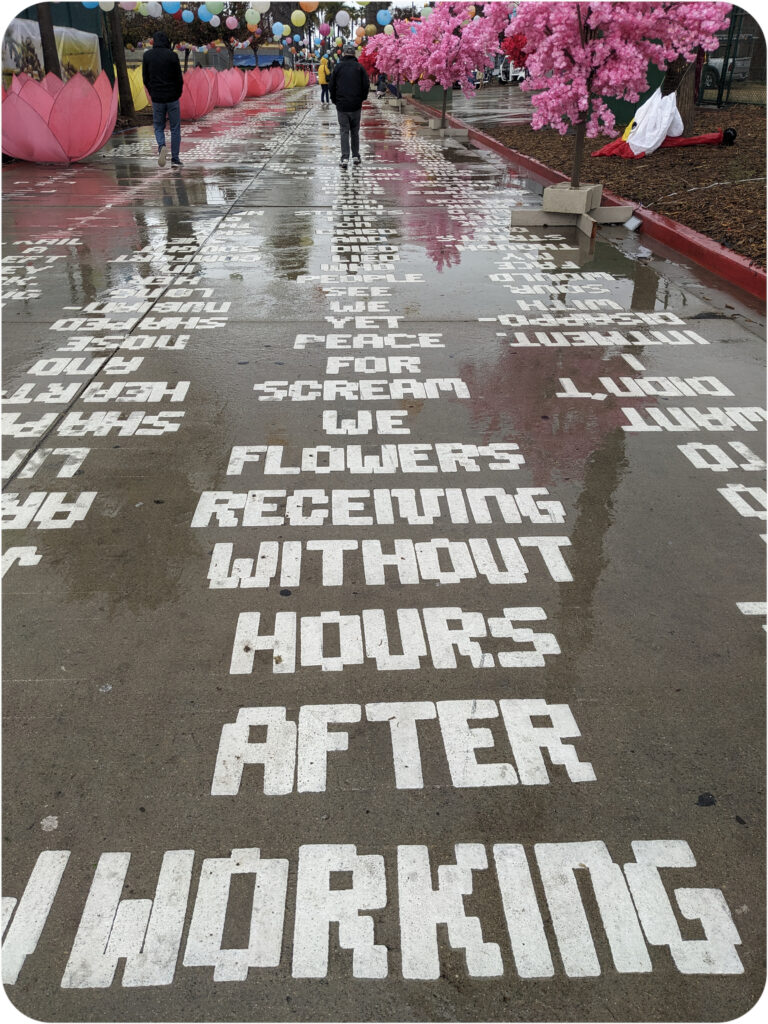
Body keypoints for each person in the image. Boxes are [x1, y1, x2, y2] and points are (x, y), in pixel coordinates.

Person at [142, 31, 184, 168]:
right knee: (175, 128)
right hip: (172, 97)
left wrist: (152, 92)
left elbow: (145, 78)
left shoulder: (147, 56)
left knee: (158, 126)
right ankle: (175, 158)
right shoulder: (172, 56)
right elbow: (179, 78)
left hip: (157, 98)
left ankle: (161, 147)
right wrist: (178, 93)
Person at [329, 43, 369, 168]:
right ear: (353, 54)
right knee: (355, 132)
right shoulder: (359, 68)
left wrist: (335, 100)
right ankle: (356, 156)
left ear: (344, 53)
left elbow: (331, 86)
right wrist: (361, 99)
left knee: (344, 132)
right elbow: (366, 85)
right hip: (356, 105)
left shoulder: (338, 68)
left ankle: (345, 157)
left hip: (342, 106)